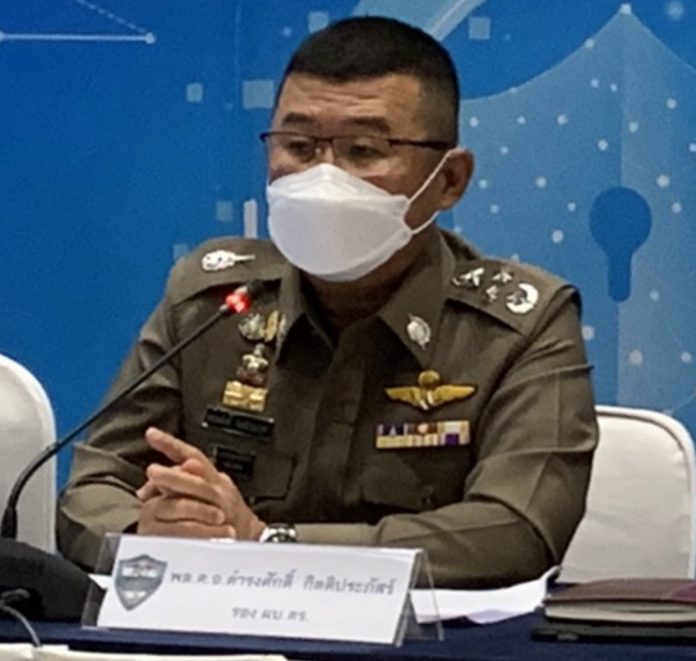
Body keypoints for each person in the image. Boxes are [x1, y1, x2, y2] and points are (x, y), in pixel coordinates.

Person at [57, 16, 597, 588]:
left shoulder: (522, 325)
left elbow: (516, 530)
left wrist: (267, 545)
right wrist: (149, 533)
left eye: (364, 150)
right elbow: (92, 488)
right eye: (298, 147)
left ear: (450, 180)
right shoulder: (211, 301)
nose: (324, 177)